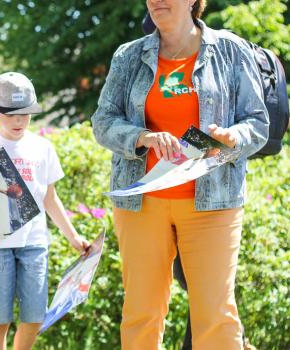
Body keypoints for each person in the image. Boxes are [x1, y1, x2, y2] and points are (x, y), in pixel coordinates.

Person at [91, 1, 269, 349]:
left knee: (215, 315)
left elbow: (257, 123)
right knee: (142, 313)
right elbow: (103, 121)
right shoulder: (128, 56)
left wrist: (234, 137)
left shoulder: (230, 51)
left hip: (213, 202)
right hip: (142, 202)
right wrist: (141, 137)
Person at [0, 72, 90, 350]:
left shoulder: (42, 147)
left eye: (25, 114)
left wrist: (73, 237)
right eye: (11, 114)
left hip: (34, 244)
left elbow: (49, 198)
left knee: (33, 317)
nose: (19, 121)